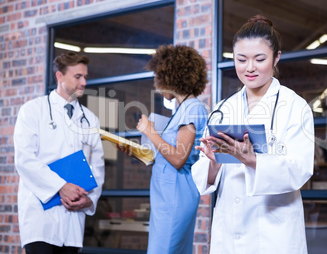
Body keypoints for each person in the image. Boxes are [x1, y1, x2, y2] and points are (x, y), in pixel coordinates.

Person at [191, 15, 315, 253]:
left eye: (260, 59)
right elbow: (203, 174)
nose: (249, 68)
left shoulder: (294, 107)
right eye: (241, 59)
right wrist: (214, 164)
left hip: (273, 233)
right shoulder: (222, 109)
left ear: (276, 57)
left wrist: (254, 161)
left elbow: (300, 169)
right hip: (230, 231)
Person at [14, 52, 105, 254]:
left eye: (85, 77)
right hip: (40, 217)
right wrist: (60, 186)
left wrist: (90, 200)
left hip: (73, 218)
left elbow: (97, 169)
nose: (83, 82)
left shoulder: (90, 120)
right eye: (77, 76)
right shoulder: (32, 110)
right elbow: (25, 160)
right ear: (60, 76)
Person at [122, 44, 208, 253]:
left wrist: (151, 132)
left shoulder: (193, 108)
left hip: (176, 196)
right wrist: (137, 151)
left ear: (171, 77)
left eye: (157, 77)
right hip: (166, 196)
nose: (156, 84)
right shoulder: (181, 110)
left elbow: (178, 158)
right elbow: (165, 154)